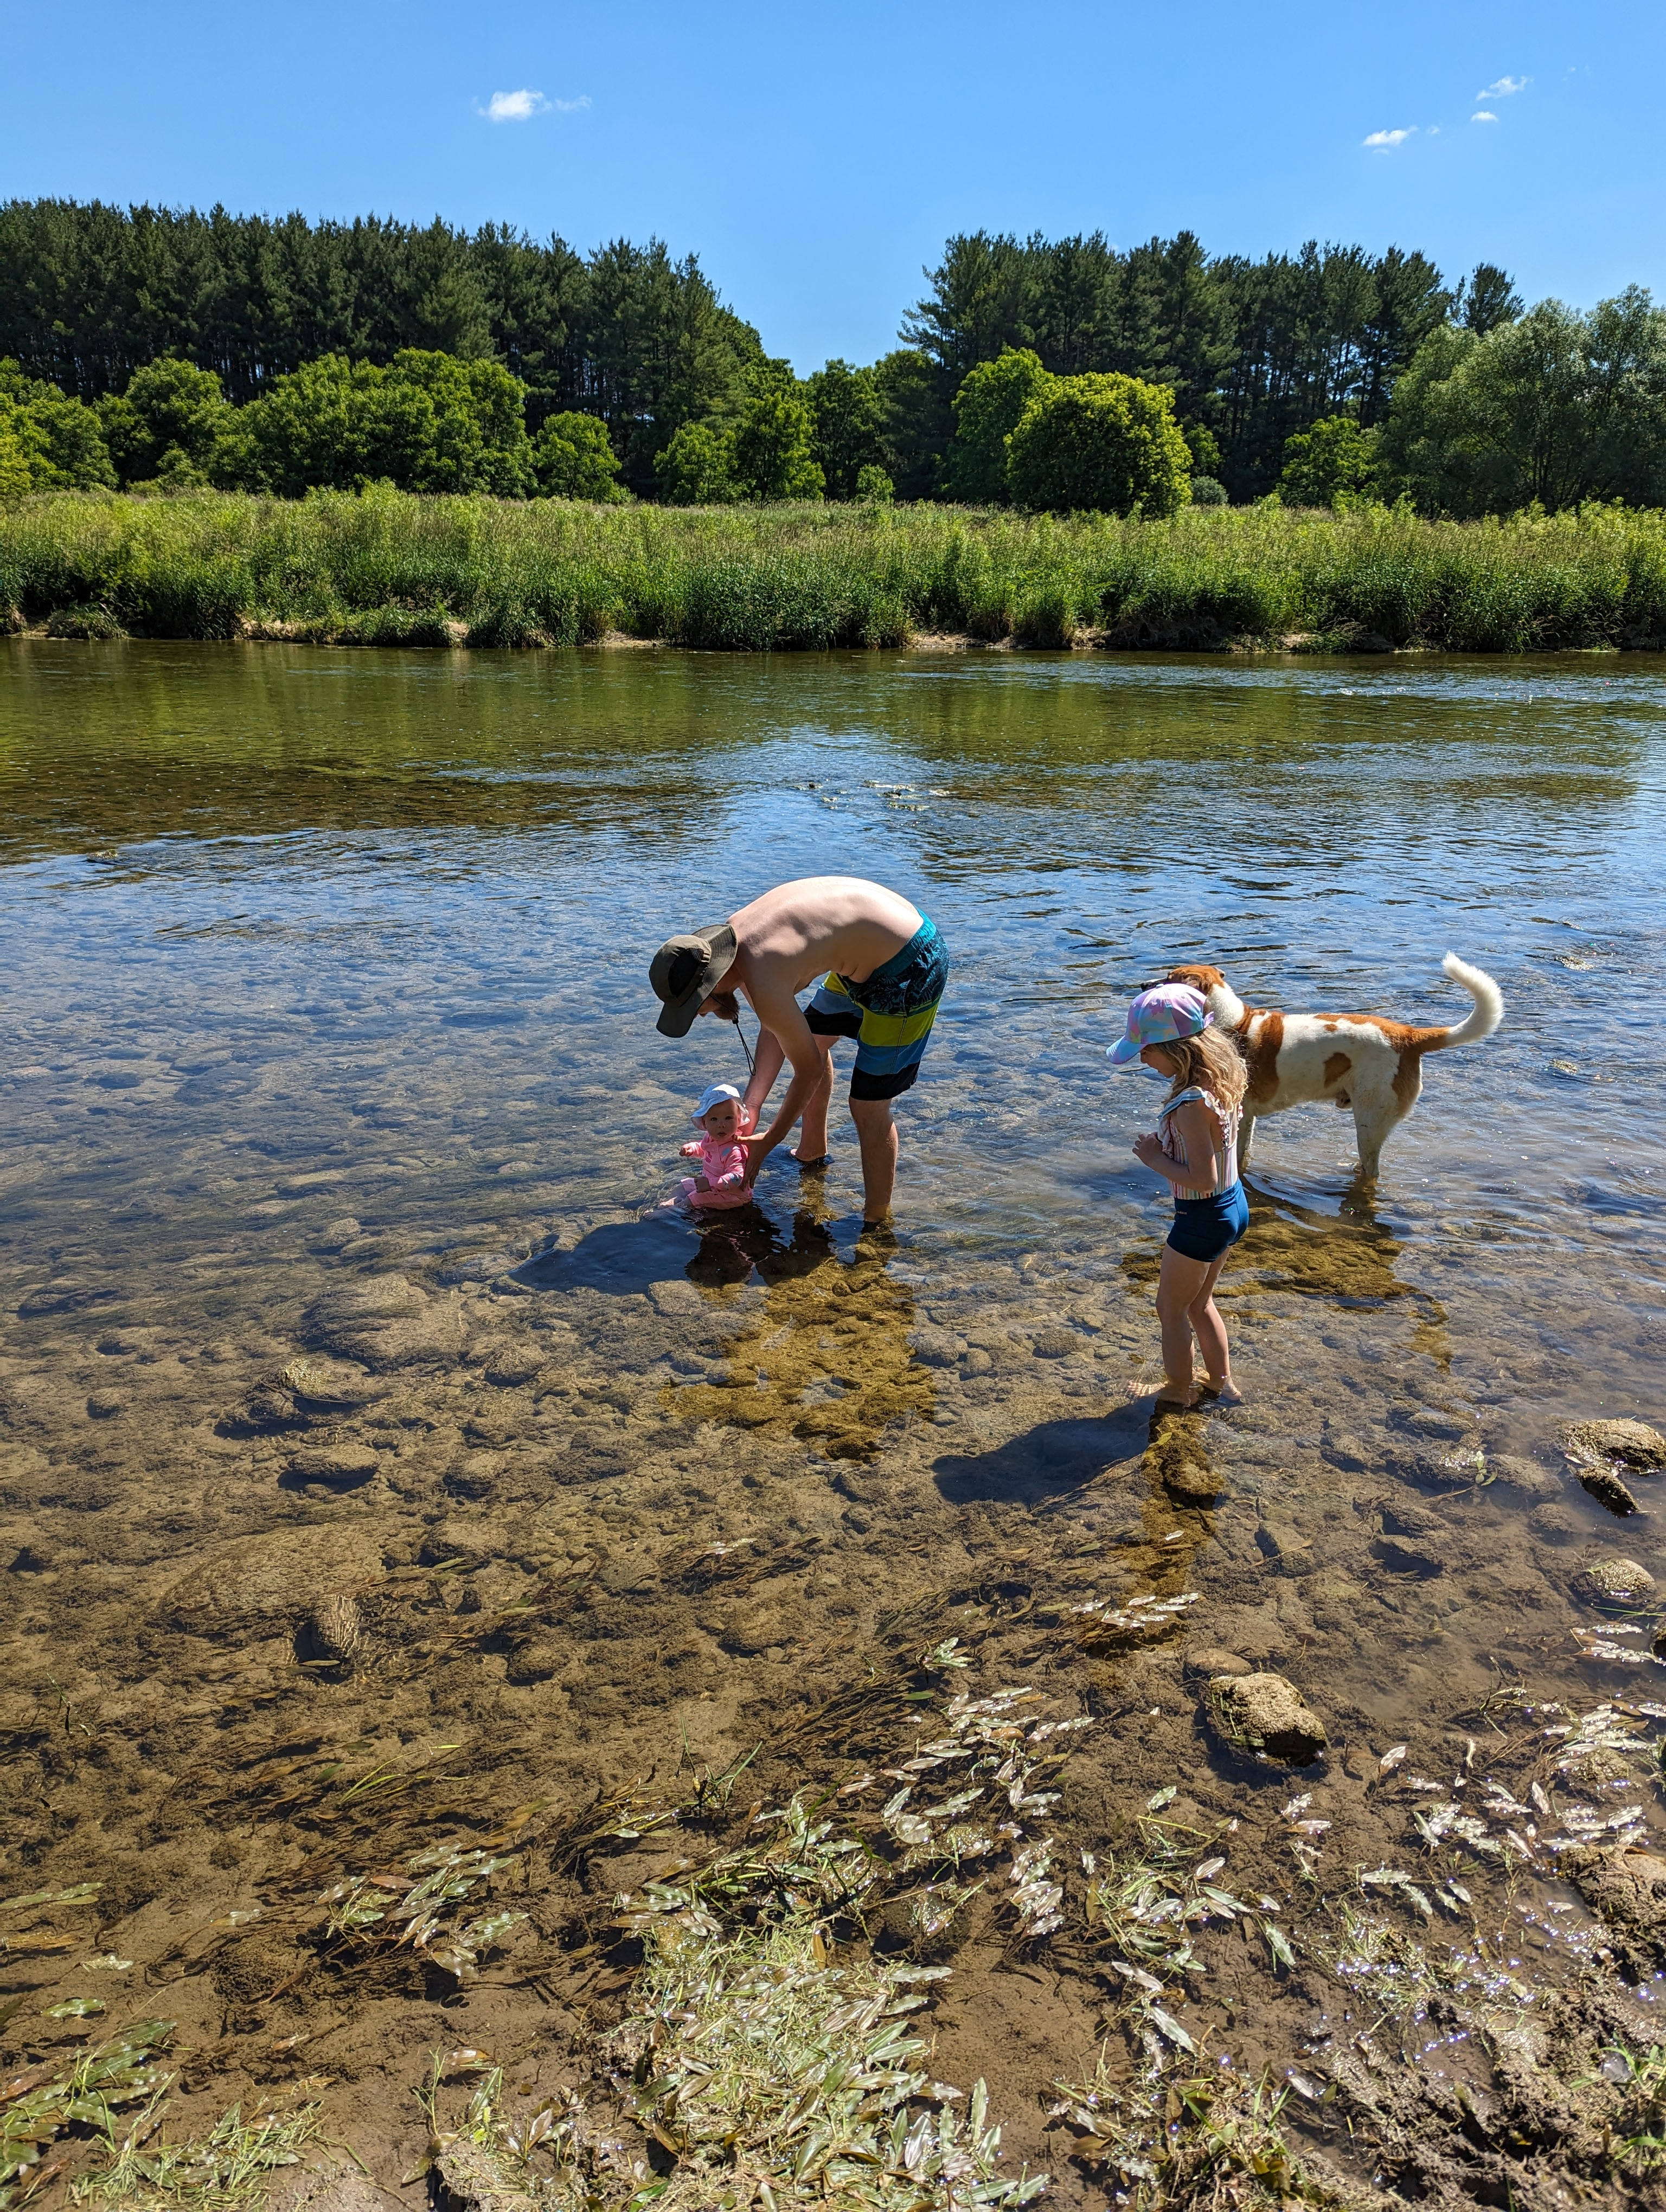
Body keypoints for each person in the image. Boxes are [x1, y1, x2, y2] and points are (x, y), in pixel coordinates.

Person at [649, 877, 949, 1228]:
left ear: (711, 986)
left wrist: (768, 1141)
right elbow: (774, 1028)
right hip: (872, 949)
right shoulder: (731, 945)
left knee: (867, 1104)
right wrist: (753, 1109)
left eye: (695, 1007)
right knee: (815, 1040)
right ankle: (812, 1150)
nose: (701, 1015)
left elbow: (809, 1071)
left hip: (910, 964)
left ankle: (876, 1223)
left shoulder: (761, 974)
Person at [1109, 981, 1250, 1406]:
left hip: (1202, 1217)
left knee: (1170, 1310)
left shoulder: (1190, 1105)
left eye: (1146, 1051)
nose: (1143, 1060)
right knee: (1200, 1302)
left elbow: (1201, 1179)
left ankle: (1176, 1387)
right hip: (1234, 1207)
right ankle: (1220, 1381)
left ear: (1177, 1050)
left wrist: (1154, 1158)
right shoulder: (1223, 1082)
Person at [658, 1081, 755, 1213]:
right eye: (714, 1119)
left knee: (695, 1197)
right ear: (705, 1122)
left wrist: (710, 1184)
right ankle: (669, 1203)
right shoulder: (711, 1138)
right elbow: (703, 1149)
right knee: (684, 1184)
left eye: (728, 1118)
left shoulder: (735, 1150)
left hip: (733, 1194)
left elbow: (736, 1177)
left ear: (738, 1120)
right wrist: (691, 1149)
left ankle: (670, 1213)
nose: (721, 1125)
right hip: (711, 1184)